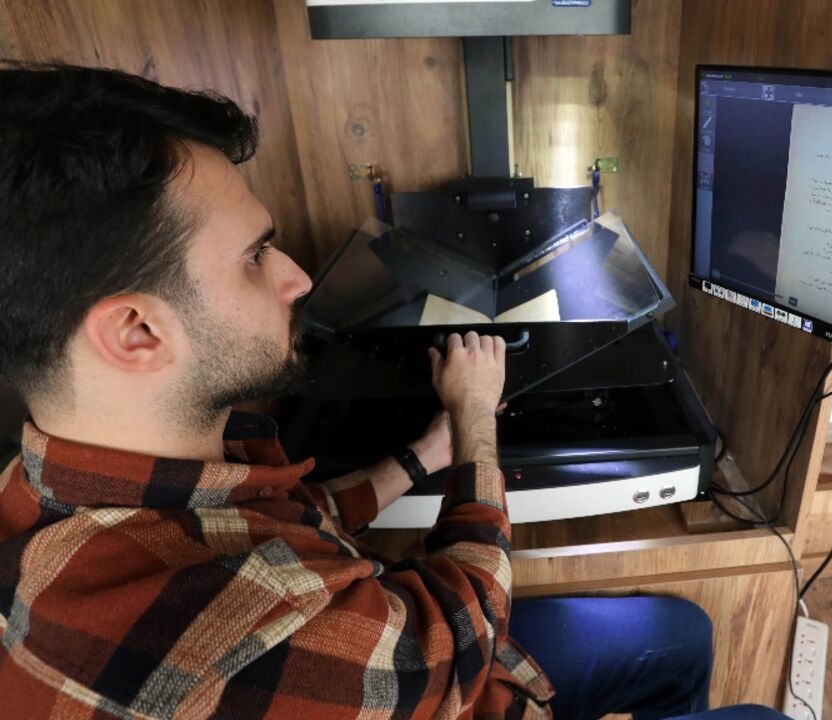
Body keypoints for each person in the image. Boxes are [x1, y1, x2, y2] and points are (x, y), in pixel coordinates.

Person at [0, 62, 791, 719]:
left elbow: (292, 528)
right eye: (254, 256)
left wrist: (424, 458)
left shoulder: (52, 493)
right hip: (450, 665)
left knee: (676, 632)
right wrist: (477, 417)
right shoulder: (232, 633)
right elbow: (462, 629)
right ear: (135, 331)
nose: (296, 276)